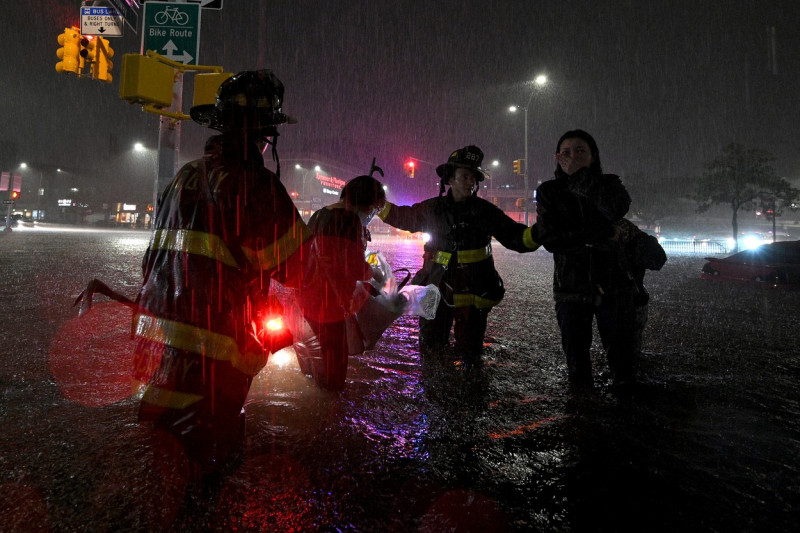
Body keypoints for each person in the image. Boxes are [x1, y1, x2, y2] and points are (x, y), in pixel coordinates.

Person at [132, 70, 311, 480]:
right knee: (209, 467)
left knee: (159, 464)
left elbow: (156, 259)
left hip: (157, 345)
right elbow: (300, 270)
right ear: (266, 136)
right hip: (214, 358)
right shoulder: (259, 188)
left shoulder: (183, 177)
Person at [377, 145, 540, 368]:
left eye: (473, 177)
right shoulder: (433, 208)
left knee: (470, 354)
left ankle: (469, 394)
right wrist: (376, 202)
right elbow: (404, 217)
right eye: (464, 176)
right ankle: (435, 392)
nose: (470, 182)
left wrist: (540, 233)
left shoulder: (485, 212)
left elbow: (515, 237)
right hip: (436, 289)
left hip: (473, 295)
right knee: (432, 348)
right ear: (450, 180)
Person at [534, 129, 635, 387]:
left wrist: (582, 179)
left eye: (581, 151)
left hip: (613, 284)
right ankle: (581, 417)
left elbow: (614, 209)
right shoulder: (549, 191)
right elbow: (552, 240)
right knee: (577, 365)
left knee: (623, 364)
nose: (573, 157)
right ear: (557, 157)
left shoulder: (610, 185)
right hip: (570, 287)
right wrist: (602, 234)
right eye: (566, 152)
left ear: (593, 156)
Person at [297, 175, 387, 390]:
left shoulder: (320, 214)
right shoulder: (349, 219)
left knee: (313, 357)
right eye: (374, 209)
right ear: (366, 204)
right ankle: (326, 415)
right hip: (329, 305)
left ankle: (311, 402)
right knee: (334, 372)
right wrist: (374, 272)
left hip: (307, 298)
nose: (372, 215)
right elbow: (353, 266)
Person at [615, 218, 667, 359]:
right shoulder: (633, 241)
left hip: (629, 296)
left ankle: (627, 360)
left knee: (628, 334)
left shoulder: (635, 243)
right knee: (629, 335)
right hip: (628, 295)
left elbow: (658, 261)